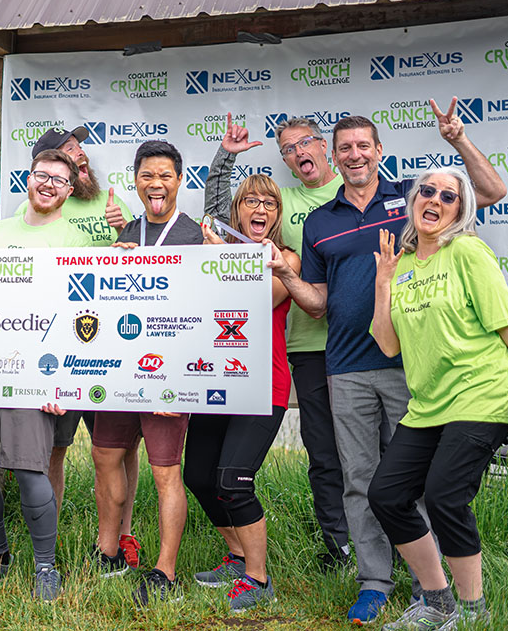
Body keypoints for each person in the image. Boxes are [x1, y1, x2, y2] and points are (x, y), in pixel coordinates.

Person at [269, 98, 507, 624]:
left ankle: (433, 588)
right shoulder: (319, 223)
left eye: (363, 146)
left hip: (410, 367)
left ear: (379, 151)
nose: (354, 155)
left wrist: (457, 140)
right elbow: (319, 301)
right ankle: (375, 581)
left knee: (412, 481)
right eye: (344, 148)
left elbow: (491, 193)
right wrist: (287, 277)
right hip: (346, 367)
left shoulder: (413, 198)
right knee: (360, 479)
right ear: (333, 156)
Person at [368, 169, 508, 630]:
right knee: (387, 495)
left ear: (460, 208)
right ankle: (439, 603)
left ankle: (474, 614)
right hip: (428, 404)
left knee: (446, 496)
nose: (434, 199)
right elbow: (388, 345)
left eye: (447, 196)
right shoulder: (405, 263)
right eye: (426, 191)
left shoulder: (469, 252)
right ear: (414, 201)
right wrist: (385, 281)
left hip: (481, 394)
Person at [204, 113, 350, 569]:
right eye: (289, 148)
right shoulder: (281, 200)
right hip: (300, 349)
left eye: (307, 142)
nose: (299, 152)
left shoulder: (354, 192)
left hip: (355, 343)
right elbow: (219, 215)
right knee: (323, 454)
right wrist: (226, 157)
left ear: (324, 146)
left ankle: (372, 550)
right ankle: (335, 550)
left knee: (367, 452)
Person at [0, 148, 89, 601]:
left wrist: (62, 382)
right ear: (27, 180)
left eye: (58, 179)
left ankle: (46, 566)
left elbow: (84, 317)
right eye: (40, 175)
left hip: (37, 371)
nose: (47, 184)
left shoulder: (75, 240)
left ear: (70, 190)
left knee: (29, 468)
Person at [23, 126, 143, 569]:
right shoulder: (33, 208)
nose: (80, 159)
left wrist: (124, 233)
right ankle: (47, 541)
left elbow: (140, 262)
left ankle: (121, 537)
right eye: (69, 155)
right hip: (56, 343)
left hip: (108, 340)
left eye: (80, 152)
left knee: (119, 448)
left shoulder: (111, 200)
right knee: (55, 446)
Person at [90, 140, 202, 606]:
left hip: (168, 378)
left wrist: (178, 379)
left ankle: (165, 570)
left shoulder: (195, 236)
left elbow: (203, 310)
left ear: (179, 180)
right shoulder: (127, 232)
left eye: (165, 176)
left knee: (164, 473)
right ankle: (109, 550)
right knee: (104, 456)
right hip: (119, 373)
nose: (156, 184)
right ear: (136, 180)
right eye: (147, 176)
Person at [184, 174, 297, 610]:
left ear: (277, 215)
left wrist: (223, 262)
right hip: (215, 381)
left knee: (233, 482)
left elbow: (256, 301)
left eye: (269, 203)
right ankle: (236, 554)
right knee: (198, 475)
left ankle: (258, 577)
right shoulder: (212, 254)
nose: (261, 209)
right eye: (251, 201)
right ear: (237, 211)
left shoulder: (284, 258)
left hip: (263, 385)